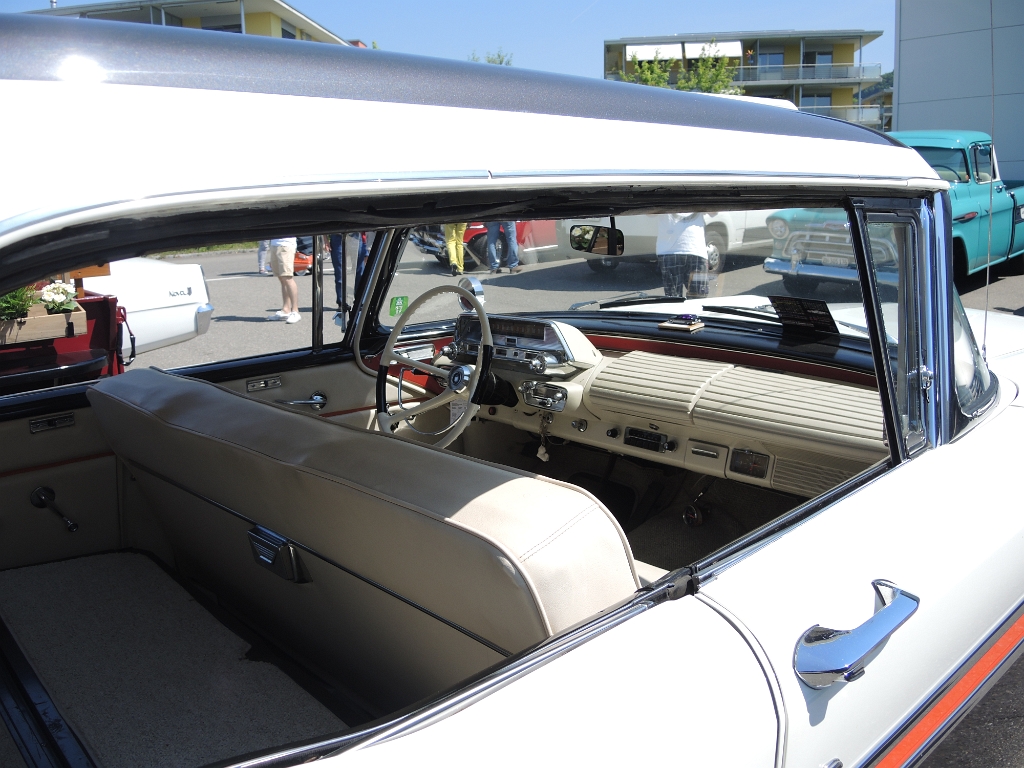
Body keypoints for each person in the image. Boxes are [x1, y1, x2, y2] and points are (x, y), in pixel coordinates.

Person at [656, 212, 715, 298]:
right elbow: (649, 212)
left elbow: (714, 212)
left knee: (699, 298)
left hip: (696, 250)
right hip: (669, 251)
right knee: (673, 300)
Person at [267, 236, 301, 323]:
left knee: (287, 278)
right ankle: (286, 310)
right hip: (274, 244)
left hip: (286, 244)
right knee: (281, 278)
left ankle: (295, 311)